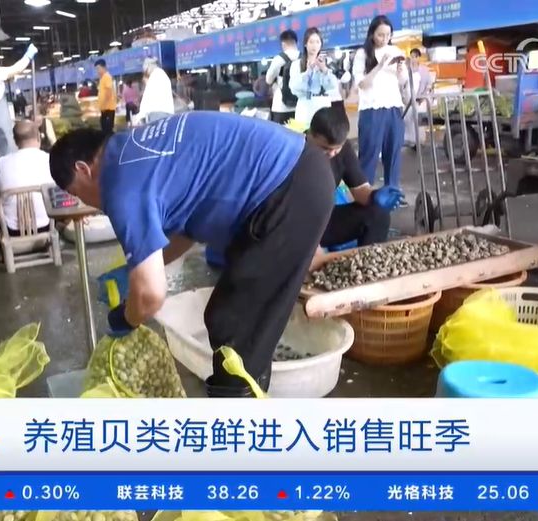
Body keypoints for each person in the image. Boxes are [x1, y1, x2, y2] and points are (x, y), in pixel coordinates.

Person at [48, 112, 335, 396]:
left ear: (83, 169)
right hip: (294, 175)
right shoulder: (132, 152)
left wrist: (125, 318)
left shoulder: (118, 184)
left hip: (288, 189)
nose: (93, 205)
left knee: (235, 330)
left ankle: (237, 417)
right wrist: (133, 271)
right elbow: (186, 231)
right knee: (237, 326)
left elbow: (151, 296)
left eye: (80, 194)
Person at [306, 107, 403, 248]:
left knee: (378, 214)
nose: (332, 154)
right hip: (296, 222)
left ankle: (369, 260)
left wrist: (375, 196)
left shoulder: (343, 149)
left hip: (325, 220)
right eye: (325, 148)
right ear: (310, 135)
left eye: (336, 149)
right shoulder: (295, 151)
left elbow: (359, 190)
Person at [0, 120, 53, 263]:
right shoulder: (50, 160)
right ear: (38, 136)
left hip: (12, 233)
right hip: (46, 229)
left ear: (15, 141)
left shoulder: (1, 163)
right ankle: (50, 242)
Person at [353, 15, 408, 189]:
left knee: (393, 153)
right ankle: (364, 194)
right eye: (380, 35)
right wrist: (379, 65)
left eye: (388, 35)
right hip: (371, 109)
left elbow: (402, 81)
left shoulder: (395, 50)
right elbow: (362, 84)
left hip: (393, 107)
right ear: (372, 34)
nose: (385, 39)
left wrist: (400, 71)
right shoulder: (362, 54)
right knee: (369, 153)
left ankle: (392, 191)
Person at [289, 27, 339, 128]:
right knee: (303, 136)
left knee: (323, 135)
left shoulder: (327, 62)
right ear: (305, 44)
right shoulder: (296, 64)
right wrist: (307, 72)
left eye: (317, 42)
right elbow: (294, 89)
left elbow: (333, 86)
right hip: (304, 108)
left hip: (323, 107)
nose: (314, 45)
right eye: (311, 42)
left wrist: (324, 70)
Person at [265, 30, 300, 124]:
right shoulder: (304, 58)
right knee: (300, 133)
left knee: (281, 132)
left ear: (283, 44)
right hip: (301, 107)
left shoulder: (279, 59)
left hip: (281, 107)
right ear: (296, 42)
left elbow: (268, 80)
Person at [403, 48, 433, 148]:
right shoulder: (407, 69)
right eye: (411, 57)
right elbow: (403, 83)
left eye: (415, 57)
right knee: (408, 120)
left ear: (419, 57)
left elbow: (429, 84)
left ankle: (419, 141)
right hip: (408, 98)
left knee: (418, 120)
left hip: (420, 98)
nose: (413, 59)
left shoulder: (424, 70)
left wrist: (423, 96)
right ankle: (410, 140)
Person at [133, 58, 174, 125]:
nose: (146, 72)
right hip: (165, 112)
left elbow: (148, 99)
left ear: (149, 66)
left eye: (146, 70)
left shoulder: (155, 76)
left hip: (157, 114)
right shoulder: (161, 74)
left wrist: (139, 116)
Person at [95, 59, 117, 133]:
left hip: (108, 108)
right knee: (105, 128)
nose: (97, 71)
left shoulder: (107, 77)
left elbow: (108, 92)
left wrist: (104, 105)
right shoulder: (103, 78)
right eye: (96, 69)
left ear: (103, 67)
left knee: (107, 130)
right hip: (105, 109)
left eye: (98, 68)